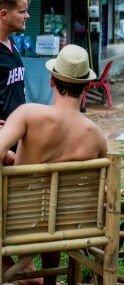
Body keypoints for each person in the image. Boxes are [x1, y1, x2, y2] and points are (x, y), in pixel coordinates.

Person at [0, 44, 108, 285]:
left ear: (51, 81)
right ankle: (47, 280)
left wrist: (8, 155)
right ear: (87, 87)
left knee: (37, 205)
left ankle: (15, 270)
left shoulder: (27, 114)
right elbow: (104, 190)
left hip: (19, 220)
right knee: (55, 208)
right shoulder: (96, 136)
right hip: (71, 223)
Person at [0, 0, 30, 132]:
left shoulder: (11, 41)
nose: (27, 16)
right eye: (22, 11)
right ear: (4, 15)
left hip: (15, 133)